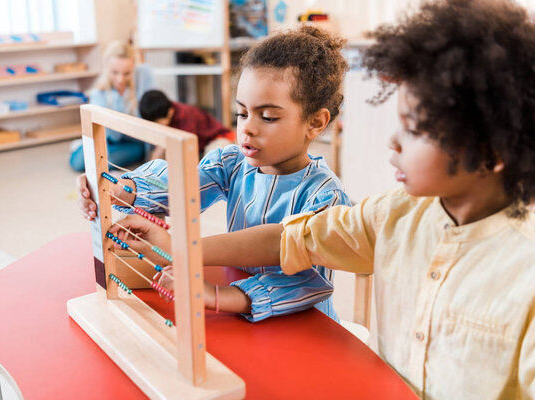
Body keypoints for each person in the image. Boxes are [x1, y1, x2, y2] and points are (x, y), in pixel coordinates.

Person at [111, 0, 535, 398]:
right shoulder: (391, 215)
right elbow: (290, 239)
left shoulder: (523, 273)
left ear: (490, 151)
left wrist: (195, 265)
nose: (392, 141)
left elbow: (301, 269)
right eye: (243, 113)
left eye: (415, 128)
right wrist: (134, 201)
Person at [80, 26, 351, 322]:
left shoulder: (326, 197)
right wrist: (123, 187)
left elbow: (303, 276)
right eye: (242, 113)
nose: (247, 127)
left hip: (305, 330)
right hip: (246, 322)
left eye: (268, 117)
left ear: (315, 122)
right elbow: (180, 186)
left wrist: (219, 295)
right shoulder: (233, 163)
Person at [69, 40, 155, 172]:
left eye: (126, 73)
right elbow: (100, 130)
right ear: (106, 68)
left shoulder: (144, 75)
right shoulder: (99, 92)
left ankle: (84, 149)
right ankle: (81, 147)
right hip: (111, 139)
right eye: (115, 72)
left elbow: (154, 111)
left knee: (103, 161)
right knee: (79, 162)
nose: (120, 79)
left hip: (135, 141)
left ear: (133, 68)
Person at [138, 89, 235, 159]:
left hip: (216, 137)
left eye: (159, 123)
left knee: (213, 159)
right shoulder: (162, 113)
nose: (157, 127)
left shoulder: (185, 116)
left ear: (170, 112)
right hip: (198, 144)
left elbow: (188, 149)